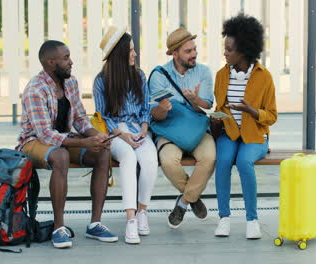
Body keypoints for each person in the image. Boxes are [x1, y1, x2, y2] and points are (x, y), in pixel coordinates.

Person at [17, 40, 118, 249]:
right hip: (33, 142)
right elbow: (45, 134)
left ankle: (95, 224)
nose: (71, 62)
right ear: (50, 62)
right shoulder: (35, 89)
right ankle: (59, 228)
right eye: (66, 58)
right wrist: (83, 142)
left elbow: (80, 119)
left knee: (102, 153)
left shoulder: (70, 82)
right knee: (60, 156)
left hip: (63, 139)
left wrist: (97, 136)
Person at [212, 14, 277, 239]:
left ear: (244, 51)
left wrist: (252, 111)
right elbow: (219, 107)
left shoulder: (264, 77)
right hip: (229, 133)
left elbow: (271, 116)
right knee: (222, 162)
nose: (225, 53)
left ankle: (252, 219)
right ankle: (224, 218)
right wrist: (215, 117)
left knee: (244, 162)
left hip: (256, 135)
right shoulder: (221, 76)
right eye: (225, 48)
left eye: (229, 49)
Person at [93, 26, 158, 244]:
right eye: (130, 50)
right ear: (119, 53)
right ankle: (130, 220)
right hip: (114, 131)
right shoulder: (101, 81)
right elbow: (103, 115)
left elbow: (146, 107)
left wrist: (144, 127)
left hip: (136, 128)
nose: (135, 54)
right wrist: (122, 134)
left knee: (149, 160)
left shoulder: (139, 75)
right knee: (128, 158)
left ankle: (142, 212)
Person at [149, 28, 216, 229]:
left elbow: (206, 106)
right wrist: (162, 109)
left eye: (194, 49)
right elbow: (154, 114)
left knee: (210, 157)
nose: (194, 54)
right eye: (188, 51)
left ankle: (184, 202)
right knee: (169, 161)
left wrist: (195, 100)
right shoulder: (159, 75)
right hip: (169, 128)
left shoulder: (203, 72)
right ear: (175, 54)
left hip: (196, 127)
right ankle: (193, 198)